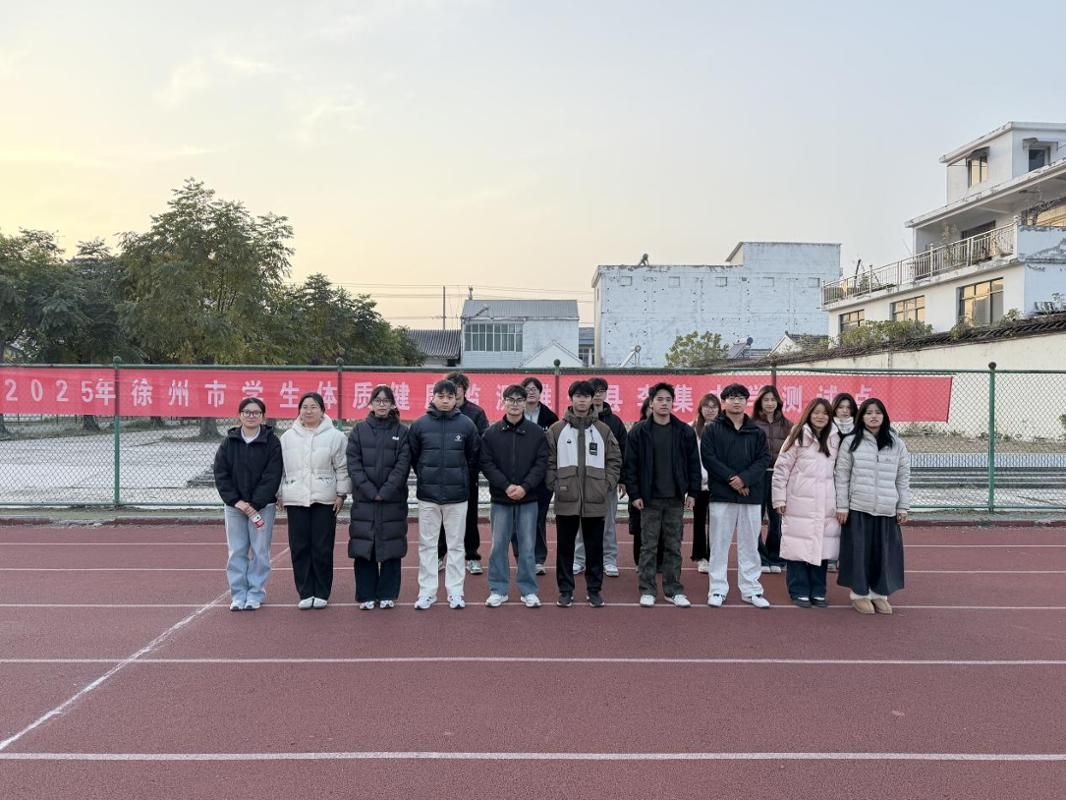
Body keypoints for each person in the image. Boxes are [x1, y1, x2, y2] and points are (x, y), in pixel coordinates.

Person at [624, 382, 701, 608]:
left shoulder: (684, 431)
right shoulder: (639, 431)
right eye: (659, 399)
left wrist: (693, 492)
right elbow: (630, 466)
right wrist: (634, 494)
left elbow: (693, 464)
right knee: (648, 547)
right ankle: (647, 589)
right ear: (651, 403)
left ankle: (673, 589)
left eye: (668, 399)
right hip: (648, 500)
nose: (664, 403)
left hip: (675, 499)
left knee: (673, 546)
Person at [546, 380, 622, 608]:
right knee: (565, 548)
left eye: (586, 396)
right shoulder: (556, 430)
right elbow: (548, 462)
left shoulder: (603, 430)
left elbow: (614, 460)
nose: (582, 400)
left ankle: (594, 590)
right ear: (571, 399)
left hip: (595, 499)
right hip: (566, 498)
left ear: (592, 400)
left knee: (594, 547)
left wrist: (606, 485)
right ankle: (565, 591)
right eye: (578, 396)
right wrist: (555, 484)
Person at [835, 398, 911, 615]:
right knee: (860, 553)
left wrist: (903, 506)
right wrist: (842, 506)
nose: (873, 416)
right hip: (859, 507)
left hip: (886, 508)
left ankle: (879, 594)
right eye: (868, 413)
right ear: (861, 417)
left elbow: (903, 477)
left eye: (878, 412)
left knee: (883, 554)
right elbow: (842, 475)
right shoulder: (851, 442)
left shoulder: (897, 444)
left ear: (884, 416)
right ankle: (859, 595)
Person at [410, 379, 480, 610]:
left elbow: (473, 457)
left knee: (456, 545)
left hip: (457, 496)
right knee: (427, 545)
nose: (445, 400)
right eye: (440, 396)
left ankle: (455, 592)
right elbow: (414, 457)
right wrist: (425, 475)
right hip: (428, 496)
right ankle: (427, 592)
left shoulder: (467, 425)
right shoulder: (420, 425)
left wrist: (460, 477)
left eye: (449, 397)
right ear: (433, 397)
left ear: (456, 398)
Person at [701, 383, 771, 608]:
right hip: (722, 494)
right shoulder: (712, 429)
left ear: (746, 401)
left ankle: (751, 590)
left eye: (741, 397)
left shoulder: (756, 432)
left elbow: (763, 459)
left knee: (750, 544)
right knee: (719, 544)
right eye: (731, 397)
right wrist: (733, 479)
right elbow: (709, 458)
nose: (736, 401)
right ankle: (717, 589)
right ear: (724, 402)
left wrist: (745, 479)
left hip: (751, 495)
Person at [278, 392, 350, 610]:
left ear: (323, 410)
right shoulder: (287, 437)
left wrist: (341, 494)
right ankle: (305, 591)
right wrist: (279, 493)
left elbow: (342, 467)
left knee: (322, 547)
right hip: (295, 499)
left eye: (313, 407)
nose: (308, 411)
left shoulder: (336, 437)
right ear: (299, 410)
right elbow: (280, 469)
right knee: (299, 547)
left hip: (325, 499)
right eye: (305, 407)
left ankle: (321, 591)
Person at [480, 384, 549, 608]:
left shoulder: (537, 433)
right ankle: (498, 589)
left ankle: (528, 590)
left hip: (528, 498)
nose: (515, 404)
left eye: (519, 400)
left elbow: (541, 463)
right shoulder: (491, 433)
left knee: (527, 547)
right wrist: (506, 486)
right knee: (498, 546)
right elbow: (487, 464)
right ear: (504, 402)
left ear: (525, 403)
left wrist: (525, 487)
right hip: (501, 499)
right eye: (511, 399)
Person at [212, 397, 283, 611]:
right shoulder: (229, 442)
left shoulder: (272, 442)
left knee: (260, 551)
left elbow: (272, 475)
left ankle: (255, 593)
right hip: (235, 508)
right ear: (239, 415)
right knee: (237, 550)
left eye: (256, 412)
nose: (251, 416)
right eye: (247, 412)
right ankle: (238, 594)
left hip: (262, 507)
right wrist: (236, 501)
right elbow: (221, 474)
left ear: (263, 416)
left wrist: (255, 503)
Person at [346, 385, 411, 610]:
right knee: (364, 546)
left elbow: (403, 465)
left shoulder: (402, 432)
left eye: (386, 401)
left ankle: (388, 593)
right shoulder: (358, 431)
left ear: (393, 404)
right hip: (365, 500)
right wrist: (369, 490)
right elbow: (353, 464)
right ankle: (366, 594)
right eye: (378, 400)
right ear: (370, 404)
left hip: (393, 500)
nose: (382, 404)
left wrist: (386, 491)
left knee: (392, 546)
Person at [772, 398, 840, 608]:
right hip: (799, 502)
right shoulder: (797, 436)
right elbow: (781, 469)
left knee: (822, 548)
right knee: (797, 546)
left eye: (825, 413)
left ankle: (818, 591)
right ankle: (799, 590)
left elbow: (840, 473)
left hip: (826, 502)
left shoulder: (835, 439)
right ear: (808, 414)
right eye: (816, 412)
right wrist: (779, 498)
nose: (820, 417)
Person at [436, 371, 489, 575]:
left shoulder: (476, 413)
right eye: (450, 386)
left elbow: (483, 445)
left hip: (467, 477)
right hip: (441, 478)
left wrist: (471, 471)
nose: (454, 391)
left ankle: (472, 556)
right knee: (441, 519)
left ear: (464, 389)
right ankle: (439, 555)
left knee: (470, 518)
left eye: (458, 387)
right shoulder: (436, 413)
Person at [573, 377, 627, 578]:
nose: (597, 395)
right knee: (581, 521)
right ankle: (580, 559)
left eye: (601, 391)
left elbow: (622, 451)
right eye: (593, 391)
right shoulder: (576, 420)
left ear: (606, 394)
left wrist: (621, 479)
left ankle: (609, 559)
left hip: (606, 481)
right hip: (581, 480)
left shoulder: (615, 422)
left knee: (608, 522)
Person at [752, 385, 792, 574]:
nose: (769, 403)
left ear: (778, 402)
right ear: (760, 402)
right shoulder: (751, 424)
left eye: (772, 399)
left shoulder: (787, 424)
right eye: (766, 399)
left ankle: (776, 556)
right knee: (756, 518)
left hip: (779, 476)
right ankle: (760, 557)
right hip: (758, 476)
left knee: (777, 518)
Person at [521, 376, 558, 575]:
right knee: (519, 519)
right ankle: (523, 556)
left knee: (539, 517)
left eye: (535, 389)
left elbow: (554, 448)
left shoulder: (550, 418)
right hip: (520, 477)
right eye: (527, 389)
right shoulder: (515, 415)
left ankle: (538, 559)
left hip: (543, 476)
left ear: (541, 393)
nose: (531, 392)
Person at [690, 393, 720, 574]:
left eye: (714, 406)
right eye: (707, 406)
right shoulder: (692, 429)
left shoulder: (724, 429)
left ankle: (714, 555)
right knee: (699, 521)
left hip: (719, 484)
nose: (710, 410)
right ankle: (700, 557)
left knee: (717, 522)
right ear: (700, 409)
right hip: (699, 484)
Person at [827, 392, 857, 572]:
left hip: (852, 480)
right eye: (840, 407)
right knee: (832, 519)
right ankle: (830, 557)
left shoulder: (859, 430)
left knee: (850, 520)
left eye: (848, 408)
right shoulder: (828, 429)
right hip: (830, 478)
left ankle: (845, 558)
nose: (845, 411)